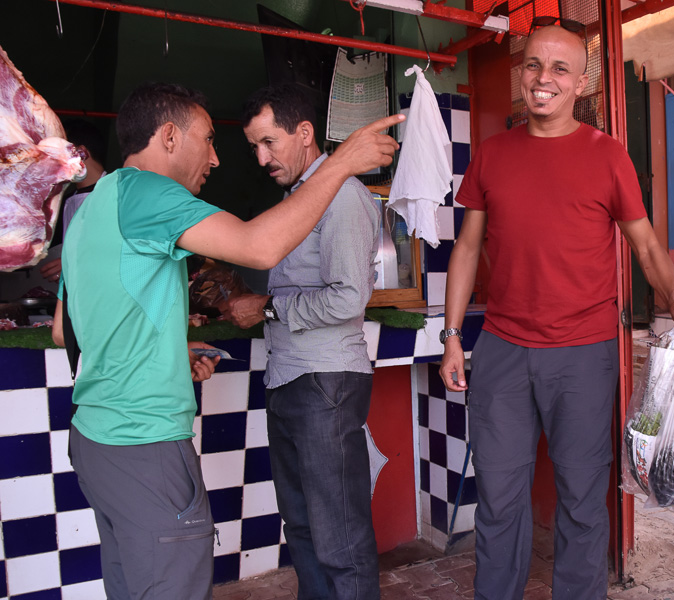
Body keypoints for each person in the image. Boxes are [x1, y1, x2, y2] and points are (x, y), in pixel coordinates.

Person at [51, 82, 403, 600]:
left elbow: (66, 330)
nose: (217, 159)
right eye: (210, 139)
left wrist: (164, 352)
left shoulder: (87, 208)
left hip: (95, 439)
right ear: (169, 137)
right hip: (144, 441)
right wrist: (344, 160)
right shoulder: (150, 193)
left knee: (329, 536)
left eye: (264, 143)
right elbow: (257, 247)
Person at [438, 23, 674, 600]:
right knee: (499, 497)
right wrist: (452, 336)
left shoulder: (608, 156)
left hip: (583, 353)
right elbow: (467, 248)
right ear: (520, 73)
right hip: (502, 350)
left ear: (581, 82)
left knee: (581, 498)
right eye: (533, 65)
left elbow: (647, 247)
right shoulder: (492, 154)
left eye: (558, 69)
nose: (542, 78)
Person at [221, 83, 381, 599]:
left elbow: (347, 299)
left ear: (305, 133)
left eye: (269, 142)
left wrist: (267, 307)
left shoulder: (343, 197)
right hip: (290, 377)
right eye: (254, 146)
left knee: (340, 538)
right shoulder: (299, 201)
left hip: (326, 383)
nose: (261, 158)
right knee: (304, 529)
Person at [39, 119, 108, 284]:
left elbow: (119, 249)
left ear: (81, 153)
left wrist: (74, 263)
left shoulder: (117, 194)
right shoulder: (66, 201)